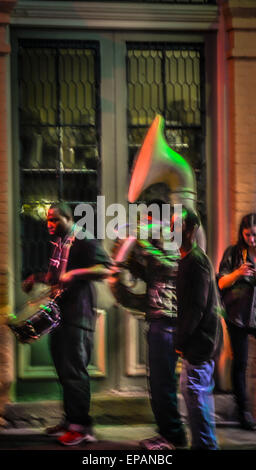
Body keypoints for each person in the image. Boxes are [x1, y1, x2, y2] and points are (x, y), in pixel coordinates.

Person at [23, 202, 112, 446]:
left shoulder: (82, 236)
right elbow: (56, 276)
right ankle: (70, 419)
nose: (49, 224)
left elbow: (106, 268)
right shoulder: (60, 242)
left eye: (54, 220)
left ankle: (81, 427)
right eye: (47, 220)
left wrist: (75, 274)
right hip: (60, 315)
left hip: (78, 316)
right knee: (63, 370)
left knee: (74, 371)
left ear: (67, 217)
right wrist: (37, 278)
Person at [111, 201, 187, 450]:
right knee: (156, 383)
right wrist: (123, 260)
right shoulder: (155, 245)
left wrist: (141, 242)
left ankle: (174, 436)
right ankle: (165, 433)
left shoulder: (172, 244)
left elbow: (171, 268)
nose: (144, 223)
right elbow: (151, 276)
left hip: (167, 321)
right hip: (156, 319)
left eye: (148, 218)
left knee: (163, 383)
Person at [174, 208, 220, 450]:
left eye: (177, 225)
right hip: (195, 344)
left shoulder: (197, 262)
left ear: (190, 230)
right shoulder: (186, 260)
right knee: (194, 399)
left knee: (196, 398)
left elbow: (196, 308)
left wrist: (180, 342)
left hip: (199, 345)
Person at [217, 213, 256, 431]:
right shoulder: (233, 253)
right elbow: (221, 283)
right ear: (242, 233)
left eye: (255, 235)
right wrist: (239, 273)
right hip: (237, 316)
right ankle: (243, 413)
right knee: (240, 363)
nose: (252, 240)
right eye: (248, 235)